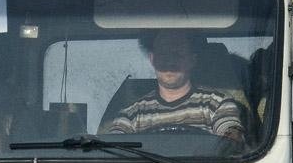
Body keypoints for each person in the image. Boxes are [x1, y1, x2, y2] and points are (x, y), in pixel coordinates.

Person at [101, 29, 246, 143]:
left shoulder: (217, 103)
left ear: (192, 60)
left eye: (178, 54)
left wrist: (231, 137)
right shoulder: (133, 112)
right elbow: (115, 147)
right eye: (163, 54)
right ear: (152, 59)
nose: (170, 62)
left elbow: (231, 139)